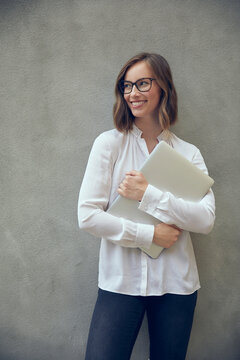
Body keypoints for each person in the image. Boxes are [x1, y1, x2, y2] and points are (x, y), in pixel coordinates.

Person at [77, 52, 215, 360]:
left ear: (163, 87)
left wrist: (148, 194)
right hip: (120, 284)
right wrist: (149, 235)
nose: (132, 93)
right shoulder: (109, 144)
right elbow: (87, 217)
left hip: (177, 287)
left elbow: (205, 219)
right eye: (126, 86)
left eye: (142, 83)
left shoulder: (188, 153)